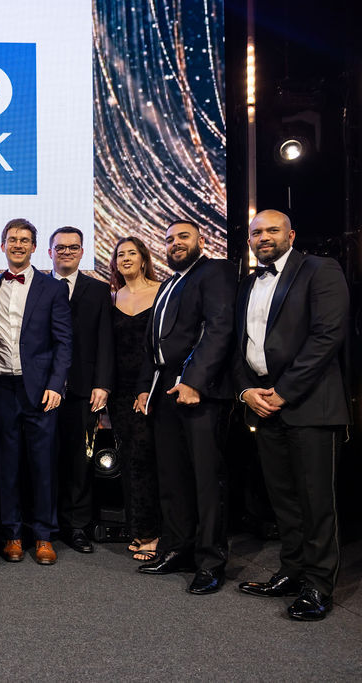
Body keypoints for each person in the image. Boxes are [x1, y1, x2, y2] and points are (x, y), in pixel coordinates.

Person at [234, 210, 350, 621]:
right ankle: (292, 571)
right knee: (283, 500)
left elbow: (327, 336)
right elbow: (238, 345)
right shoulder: (248, 282)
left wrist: (283, 392)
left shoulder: (320, 269)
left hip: (310, 405)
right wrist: (246, 391)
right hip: (264, 405)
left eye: (272, 230)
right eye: (256, 232)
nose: (263, 237)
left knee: (316, 502)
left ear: (291, 235)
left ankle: (318, 586)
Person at [136, 220, 235, 595]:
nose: (175, 244)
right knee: (172, 476)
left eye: (183, 237)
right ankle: (177, 549)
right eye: (169, 239)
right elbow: (153, 343)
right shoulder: (168, 283)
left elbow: (219, 328)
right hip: (165, 388)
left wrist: (194, 381)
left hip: (199, 390)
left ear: (201, 241)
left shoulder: (215, 272)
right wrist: (145, 388)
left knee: (207, 480)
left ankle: (211, 562)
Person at [0, 219, 73, 566]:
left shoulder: (52, 288)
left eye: (25, 240)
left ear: (35, 247)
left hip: (39, 391)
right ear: (3, 245)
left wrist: (56, 385)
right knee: (7, 465)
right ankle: (11, 533)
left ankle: (43, 536)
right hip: (1, 388)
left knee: (42, 465)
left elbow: (64, 342)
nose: (18, 245)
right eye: (12, 239)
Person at [49, 226, 114, 555]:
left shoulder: (99, 290)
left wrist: (102, 383)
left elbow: (105, 339)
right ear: (50, 252)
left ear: (82, 252)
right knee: (43, 459)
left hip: (84, 389)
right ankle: (44, 524)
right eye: (60, 247)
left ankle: (76, 525)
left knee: (79, 461)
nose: (66, 252)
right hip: (42, 389)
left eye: (73, 247)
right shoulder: (38, 285)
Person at [106, 236, 161, 561]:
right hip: (121, 392)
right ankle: (139, 529)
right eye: (120, 254)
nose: (125, 258)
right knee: (129, 459)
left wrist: (148, 388)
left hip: (153, 388)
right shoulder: (112, 297)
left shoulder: (161, 292)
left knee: (149, 458)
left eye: (131, 253)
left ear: (143, 259)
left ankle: (153, 533)